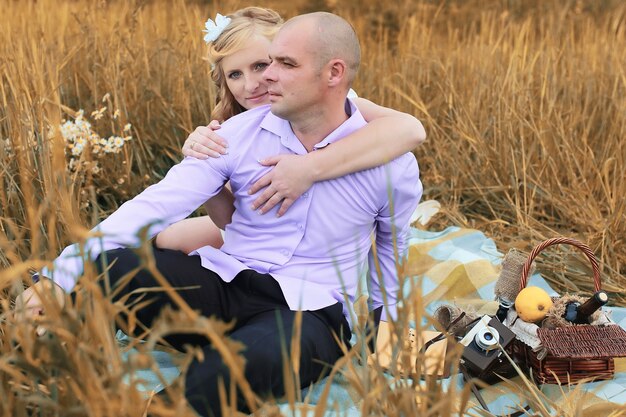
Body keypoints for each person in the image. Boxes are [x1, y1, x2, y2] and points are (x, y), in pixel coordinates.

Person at [16, 11, 422, 417]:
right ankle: (41, 359)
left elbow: (390, 244)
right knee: (113, 266)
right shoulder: (232, 136)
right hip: (227, 280)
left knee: (252, 358)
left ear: (333, 73)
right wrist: (58, 275)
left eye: (284, 64)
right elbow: (156, 203)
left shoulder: (390, 161)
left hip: (310, 311)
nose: (265, 79)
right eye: (268, 62)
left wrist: (385, 328)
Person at [155, 7, 426, 253]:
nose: (251, 86)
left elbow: (410, 129)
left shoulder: (335, 106)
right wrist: (206, 170)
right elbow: (231, 221)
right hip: (268, 229)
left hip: (335, 230)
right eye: (234, 74)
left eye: (260, 65)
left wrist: (310, 166)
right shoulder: (236, 126)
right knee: (168, 239)